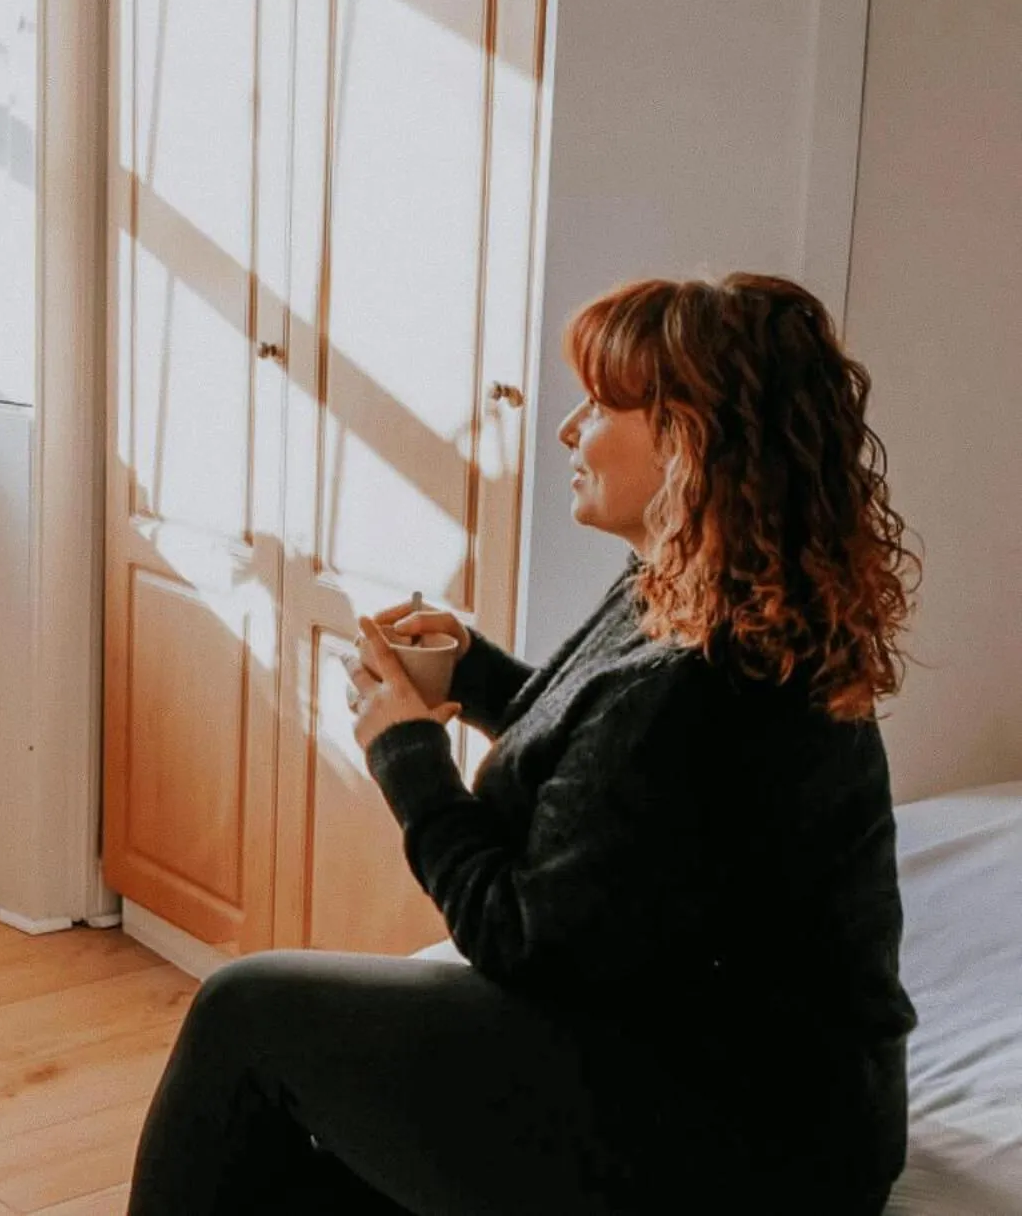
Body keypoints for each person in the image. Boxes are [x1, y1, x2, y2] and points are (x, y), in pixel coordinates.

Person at [127, 274, 920, 1215]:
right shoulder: (694, 594)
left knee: (244, 1011)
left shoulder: (708, 680)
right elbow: (611, 771)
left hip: (746, 1143)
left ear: (687, 436)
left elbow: (522, 936)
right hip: (723, 1070)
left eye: (599, 404)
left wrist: (408, 756)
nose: (567, 429)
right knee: (310, 1131)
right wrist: (474, 678)